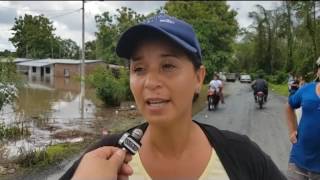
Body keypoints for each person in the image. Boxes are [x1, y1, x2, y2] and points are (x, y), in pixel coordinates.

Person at [61, 14, 285, 180]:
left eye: (167, 66)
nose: (150, 82)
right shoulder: (102, 159)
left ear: (198, 77)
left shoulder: (242, 156)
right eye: (139, 69)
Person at [285, 57, 320, 180]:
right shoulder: (307, 89)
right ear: (318, 72)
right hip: (299, 160)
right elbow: (289, 106)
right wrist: (292, 130)